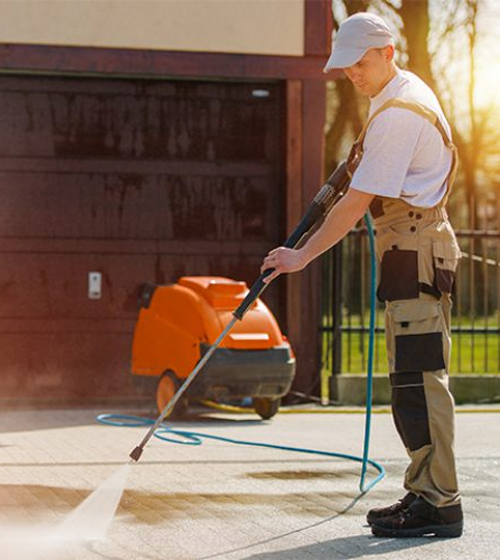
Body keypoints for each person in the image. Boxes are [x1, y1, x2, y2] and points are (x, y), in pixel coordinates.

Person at [261, 12, 463, 538]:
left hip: (415, 248)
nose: (352, 73)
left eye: (361, 63)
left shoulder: (398, 113)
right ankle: (424, 492)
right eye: (346, 66)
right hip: (408, 248)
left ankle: (441, 503)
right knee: (408, 381)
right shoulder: (397, 94)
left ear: (388, 52)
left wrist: (300, 256)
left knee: (420, 381)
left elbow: (354, 205)